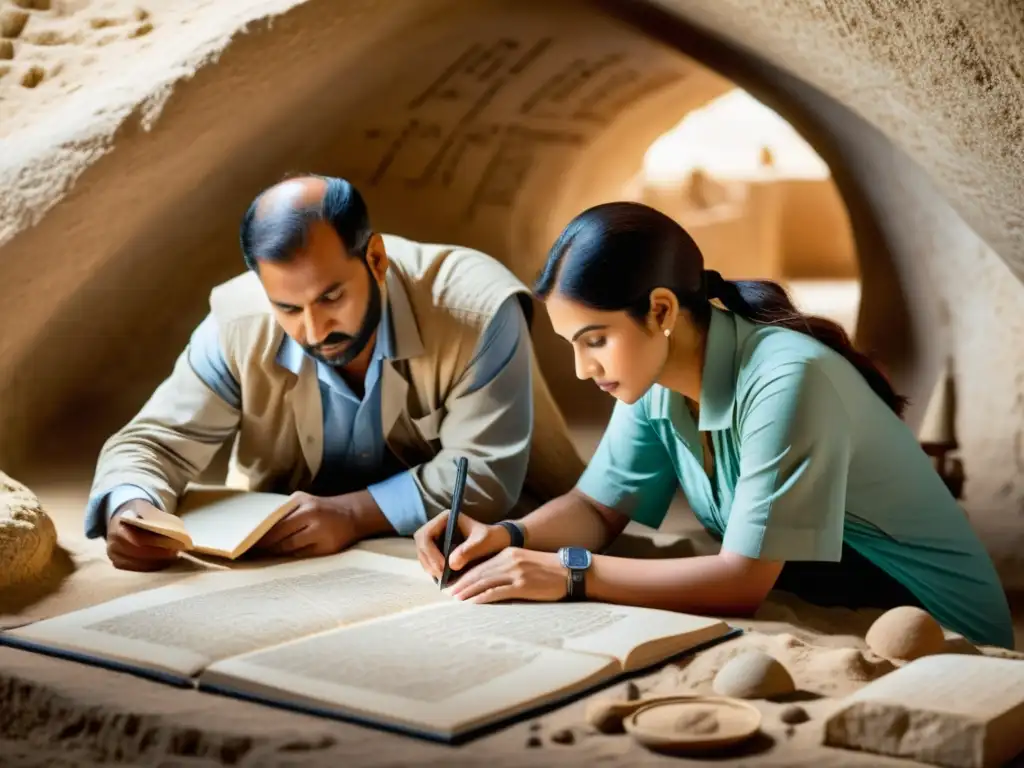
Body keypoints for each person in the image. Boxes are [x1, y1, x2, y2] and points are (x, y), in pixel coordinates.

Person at [414, 201, 1015, 649]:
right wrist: (510, 538)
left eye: (595, 340)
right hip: (823, 590)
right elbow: (597, 510)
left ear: (661, 311)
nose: (580, 369)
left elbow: (740, 582)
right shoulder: (652, 385)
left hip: (932, 627)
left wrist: (569, 573)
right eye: (572, 343)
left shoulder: (787, 380)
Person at [86, 174, 584, 571]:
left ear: (376, 258)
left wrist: (351, 514)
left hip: (474, 549)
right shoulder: (237, 320)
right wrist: (131, 506)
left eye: (331, 296)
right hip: (288, 562)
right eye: (287, 307)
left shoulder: (475, 307)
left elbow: (485, 475)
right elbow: (151, 442)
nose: (314, 328)